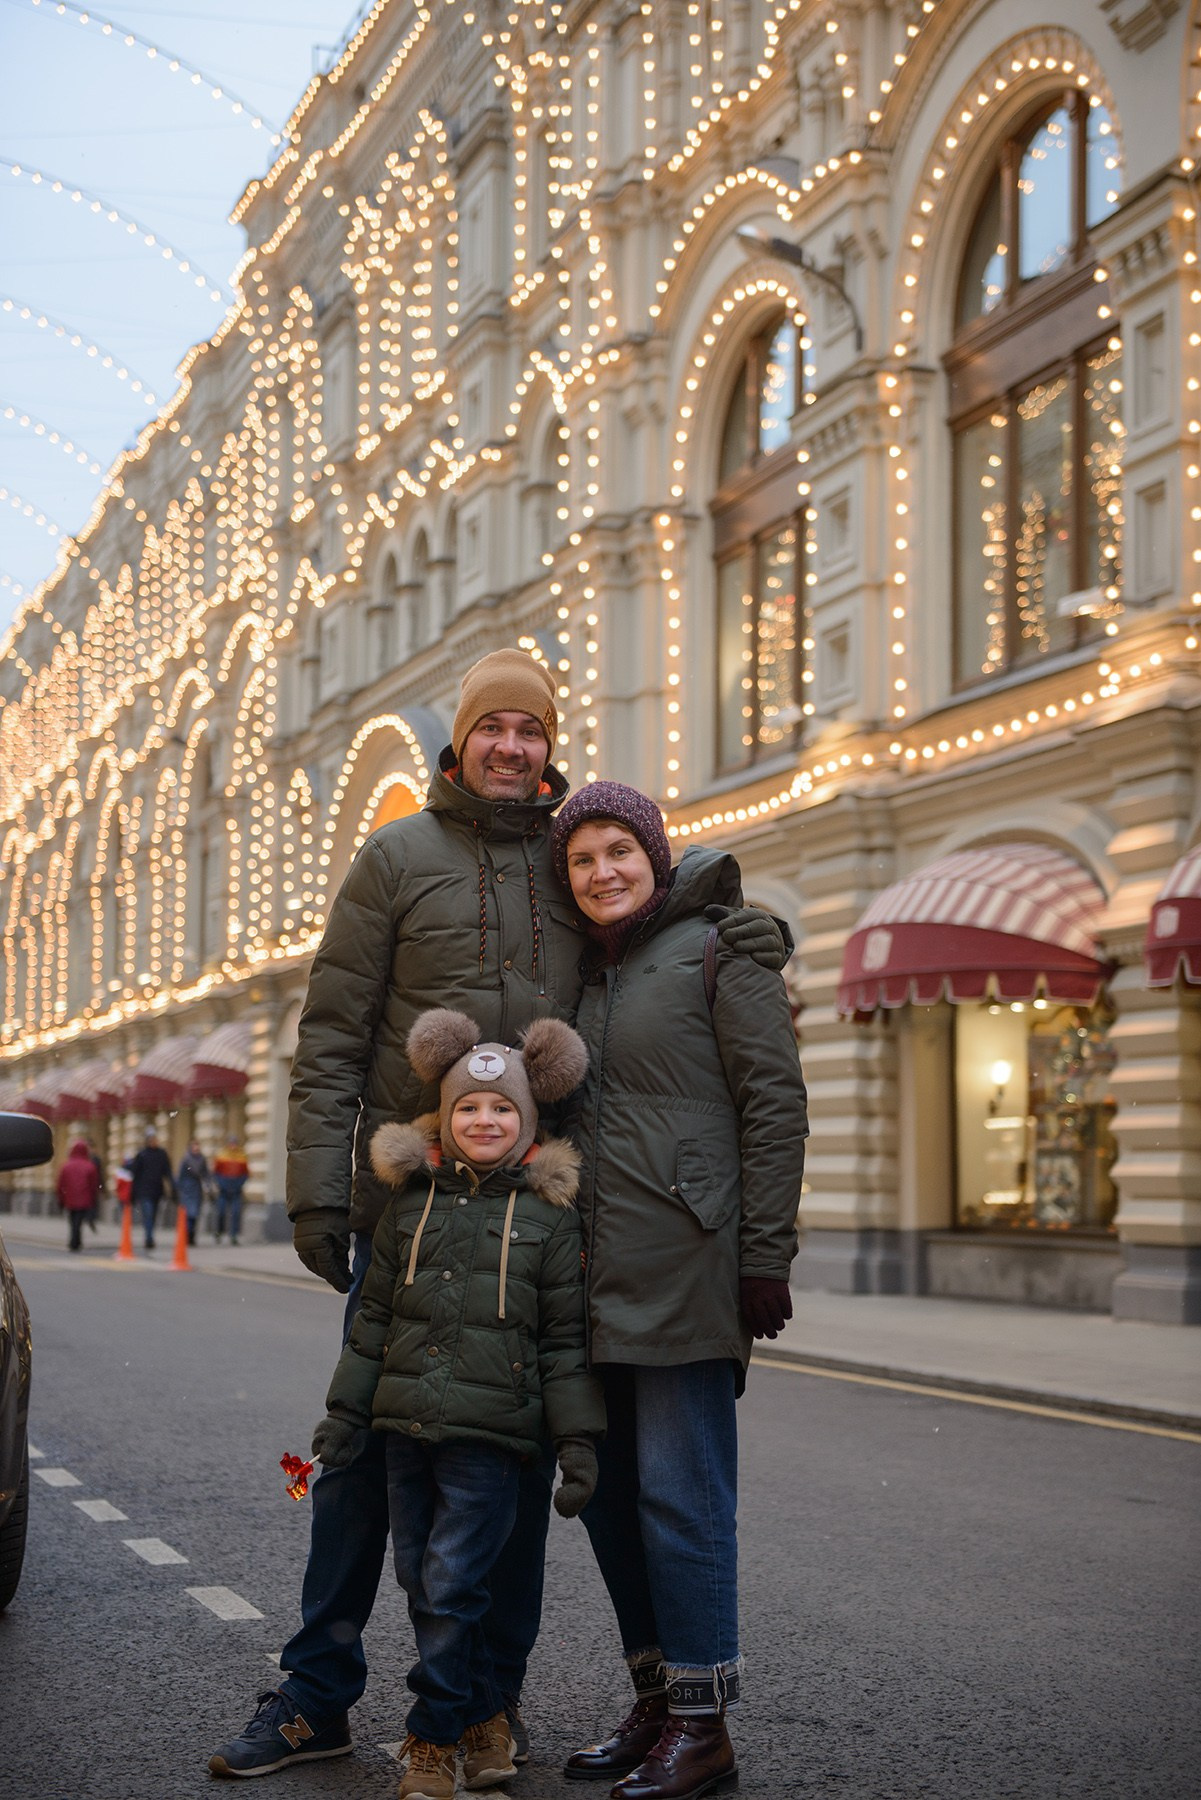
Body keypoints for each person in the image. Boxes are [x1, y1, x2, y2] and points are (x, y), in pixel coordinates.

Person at [208, 647, 785, 1781]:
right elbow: (328, 1038)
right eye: (494, 729)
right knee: (364, 1459)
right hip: (407, 1219)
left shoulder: (573, 864)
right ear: (461, 741)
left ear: (547, 742)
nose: (513, 747)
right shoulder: (393, 856)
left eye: (532, 729)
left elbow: (660, 911)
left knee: (507, 1466)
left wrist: (740, 920)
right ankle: (317, 1690)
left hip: (533, 1226)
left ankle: (484, 1704)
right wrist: (324, 1192)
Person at [551, 783, 808, 1800]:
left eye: (619, 850)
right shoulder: (578, 975)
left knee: (679, 1495)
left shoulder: (721, 947)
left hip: (690, 1264)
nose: (602, 871)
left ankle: (703, 1726)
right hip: (585, 1276)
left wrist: (763, 1255)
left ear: (654, 857)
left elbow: (773, 1104)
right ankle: (656, 1698)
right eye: (582, 858)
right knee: (608, 1500)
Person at [307, 1008, 605, 1800]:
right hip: (405, 1430)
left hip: (489, 1438)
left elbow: (563, 1346)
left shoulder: (547, 1220)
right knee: (421, 1576)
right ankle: (478, 1714)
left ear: (529, 1119)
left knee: (450, 1581)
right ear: (442, 1117)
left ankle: (431, 1737)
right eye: (468, 1108)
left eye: (502, 1107)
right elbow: (371, 1326)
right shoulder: (409, 1207)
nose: (484, 1119)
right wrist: (343, 1417)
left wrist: (576, 1441)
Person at [129, 1127, 174, 1252]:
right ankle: (149, 1238)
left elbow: (167, 1171)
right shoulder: (142, 1155)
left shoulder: (162, 1154)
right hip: (144, 1191)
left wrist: (172, 1186)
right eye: (152, 1139)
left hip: (157, 1191)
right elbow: (134, 1173)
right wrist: (133, 1192)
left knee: (153, 1215)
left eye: (155, 1139)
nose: (154, 1141)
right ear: (147, 1141)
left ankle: (149, 1234)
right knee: (148, 1214)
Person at [56, 1138, 101, 1253]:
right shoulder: (90, 1166)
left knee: (72, 1220)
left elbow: (60, 1184)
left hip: (69, 1199)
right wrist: (93, 1198)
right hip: (84, 1199)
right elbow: (94, 1185)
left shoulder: (66, 1166)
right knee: (79, 1221)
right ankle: (76, 1241)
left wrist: (61, 1199)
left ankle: (74, 1241)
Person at [211, 1138, 249, 1244]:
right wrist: (221, 1185)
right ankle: (218, 1232)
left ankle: (233, 1235)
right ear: (228, 1145)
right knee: (221, 1212)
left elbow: (245, 1174)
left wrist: (239, 1184)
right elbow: (216, 1173)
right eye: (231, 1144)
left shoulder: (242, 1156)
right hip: (224, 1190)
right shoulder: (221, 1155)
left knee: (236, 1213)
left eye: (235, 1144)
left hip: (236, 1190)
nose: (233, 1146)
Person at [176, 1138, 210, 1247]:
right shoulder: (186, 1160)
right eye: (194, 1146)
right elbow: (180, 1176)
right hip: (187, 1190)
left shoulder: (202, 1159)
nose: (196, 1148)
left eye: (197, 1146)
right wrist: (179, 1189)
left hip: (196, 1189)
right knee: (188, 1214)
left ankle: (191, 1236)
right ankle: (187, 1235)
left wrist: (208, 1185)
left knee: (194, 1214)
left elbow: (206, 1174)